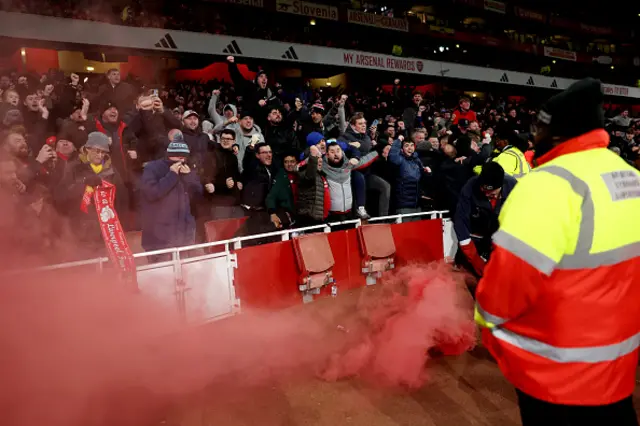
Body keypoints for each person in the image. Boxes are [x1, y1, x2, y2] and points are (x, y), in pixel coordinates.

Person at [475, 78, 640, 426]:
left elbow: (504, 291)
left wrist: (483, 320)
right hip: (618, 368)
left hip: (557, 378)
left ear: (556, 132)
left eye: (539, 126)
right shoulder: (630, 177)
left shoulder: (547, 184)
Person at [139, 139, 202, 261]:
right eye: (177, 157)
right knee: (162, 277)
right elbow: (152, 193)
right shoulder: (152, 168)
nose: (181, 160)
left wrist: (189, 177)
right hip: (159, 239)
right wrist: (172, 175)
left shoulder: (187, 169)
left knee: (187, 275)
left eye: (183, 157)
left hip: (185, 235)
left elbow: (198, 197)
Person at [454, 162, 516, 277]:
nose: (487, 195)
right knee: (464, 277)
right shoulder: (470, 187)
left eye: (492, 193)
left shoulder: (513, 187)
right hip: (475, 240)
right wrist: (474, 258)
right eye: (484, 191)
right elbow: (460, 221)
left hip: (500, 243)